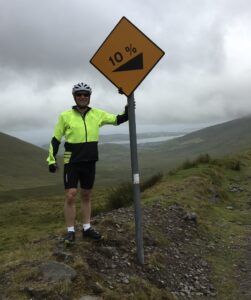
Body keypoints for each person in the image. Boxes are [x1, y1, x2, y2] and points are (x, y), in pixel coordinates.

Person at [47, 82, 128, 244]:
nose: (82, 97)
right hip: (72, 160)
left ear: (89, 97)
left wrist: (128, 99)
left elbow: (120, 119)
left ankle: (86, 228)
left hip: (90, 160)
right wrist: (51, 158)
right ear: (74, 97)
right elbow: (56, 139)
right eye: (79, 95)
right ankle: (70, 231)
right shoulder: (65, 116)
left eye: (85, 94)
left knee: (86, 195)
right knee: (70, 195)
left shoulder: (97, 114)